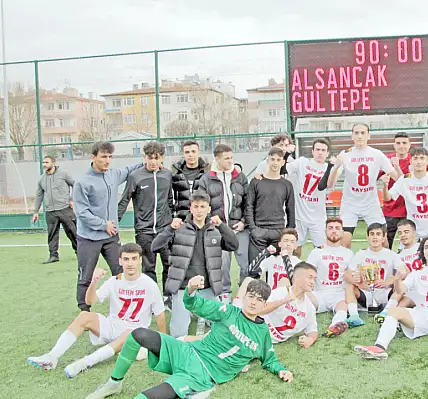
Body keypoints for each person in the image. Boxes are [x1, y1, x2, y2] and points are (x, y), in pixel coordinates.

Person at [84, 278, 293, 399]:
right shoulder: (228, 311)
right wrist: (191, 289)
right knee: (138, 334)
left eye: (259, 300)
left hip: (203, 374)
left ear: (265, 304)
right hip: (188, 351)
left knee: (149, 396)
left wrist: (281, 369)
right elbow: (195, 305)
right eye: (251, 296)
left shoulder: (263, 332)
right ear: (244, 296)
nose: (254, 302)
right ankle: (114, 383)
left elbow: (269, 359)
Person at [27, 243, 165, 378]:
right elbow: (89, 301)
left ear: (140, 260)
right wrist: (93, 282)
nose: (130, 263)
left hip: (134, 332)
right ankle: (52, 357)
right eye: (126, 259)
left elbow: (160, 314)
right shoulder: (114, 281)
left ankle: (83, 363)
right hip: (112, 326)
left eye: (134, 259)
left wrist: (163, 344)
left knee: (131, 333)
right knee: (84, 315)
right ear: (120, 261)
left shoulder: (149, 284)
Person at [354, 235, 428, 360]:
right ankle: (380, 347)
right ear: (422, 252)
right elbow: (401, 290)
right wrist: (397, 279)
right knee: (394, 311)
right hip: (422, 317)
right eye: (426, 247)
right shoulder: (416, 273)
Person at [151, 191, 239, 338]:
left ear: (209, 209)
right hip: (183, 288)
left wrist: (222, 226)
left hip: (208, 288)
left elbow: (234, 245)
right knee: (178, 335)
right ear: (190, 208)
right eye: (196, 206)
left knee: (226, 327)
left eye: (202, 206)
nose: (199, 210)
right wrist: (169, 229)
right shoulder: (178, 228)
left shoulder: (216, 230)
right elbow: (155, 247)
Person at [73, 141, 144, 312]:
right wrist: (103, 224)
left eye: (110, 157)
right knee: (86, 275)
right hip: (89, 238)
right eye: (103, 156)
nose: (107, 160)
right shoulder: (82, 182)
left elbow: (128, 170)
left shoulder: (113, 174)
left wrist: (146, 161)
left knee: (120, 272)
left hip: (111, 237)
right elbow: (82, 212)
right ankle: (84, 311)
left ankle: (124, 306)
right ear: (93, 157)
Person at [327, 123, 399, 248]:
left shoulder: (377, 154)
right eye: (356, 133)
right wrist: (337, 165)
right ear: (352, 136)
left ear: (368, 135)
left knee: (383, 242)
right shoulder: (345, 154)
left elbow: (397, 177)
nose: (359, 136)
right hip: (350, 204)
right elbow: (330, 184)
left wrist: (393, 177)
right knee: (344, 243)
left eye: (363, 133)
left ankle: (385, 267)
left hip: (371, 204)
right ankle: (348, 267)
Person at [195, 143, 248, 303]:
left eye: (231, 158)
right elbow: (202, 203)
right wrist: (215, 223)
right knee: (222, 266)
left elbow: (248, 202)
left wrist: (244, 222)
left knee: (246, 265)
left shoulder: (240, 176)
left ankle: (242, 295)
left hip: (240, 228)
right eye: (226, 158)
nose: (230, 161)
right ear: (217, 159)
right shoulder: (206, 179)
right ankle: (225, 294)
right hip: (218, 230)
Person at [118, 141, 174, 288]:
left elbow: (169, 199)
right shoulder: (135, 176)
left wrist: (172, 221)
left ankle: (168, 297)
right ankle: (153, 297)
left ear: (162, 157)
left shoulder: (167, 174)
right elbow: (125, 200)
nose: (153, 162)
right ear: (145, 157)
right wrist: (115, 221)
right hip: (144, 231)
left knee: (170, 264)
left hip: (165, 230)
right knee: (148, 267)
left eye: (157, 158)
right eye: (150, 158)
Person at [380, 132, 428, 248]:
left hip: (409, 211)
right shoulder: (387, 160)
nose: (401, 146)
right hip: (390, 208)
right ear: (394, 145)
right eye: (398, 143)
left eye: (404, 143)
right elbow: (373, 175)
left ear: (409, 145)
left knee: (410, 244)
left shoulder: (416, 159)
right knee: (385, 241)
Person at [237, 261, 319, 348]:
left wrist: (310, 340)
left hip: (266, 339)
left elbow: (312, 329)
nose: (312, 282)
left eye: (314, 279)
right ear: (296, 277)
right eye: (309, 277)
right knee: (248, 282)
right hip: (251, 327)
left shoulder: (309, 307)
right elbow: (259, 310)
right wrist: (283, 301)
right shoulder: (281, 292)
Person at [344, 223, 405, 327]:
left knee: (400, 286)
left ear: (384, 237)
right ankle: (354, 316)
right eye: (372, 234)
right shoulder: (361, 254)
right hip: (367, 292)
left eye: (378, 234)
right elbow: (347, 274)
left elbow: (404, 271)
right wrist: (359, 284)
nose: (375, 237)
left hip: (385, 292)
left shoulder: (391, 254)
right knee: (349, 286)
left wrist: (391, 281)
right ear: (367, 237)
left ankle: (385, 313)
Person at [285, 138, 337, 256]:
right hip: (299, 215)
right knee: (295, 248)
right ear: (312, 151)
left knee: (321, 251)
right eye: (317, 149)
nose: (320, 152)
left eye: (323, 150)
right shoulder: (302, 162)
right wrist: (287, 153)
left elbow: (325, 186)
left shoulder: (331, 169)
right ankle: (295, 272)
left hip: (317, 217)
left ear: (327, 153)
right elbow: (283, 169)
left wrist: (335, 166)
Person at [305, 217, 354, 338]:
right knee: (304, 300)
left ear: (342, 232)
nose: (334, 231)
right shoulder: (317, 252)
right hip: (319, 292)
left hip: (339, 293)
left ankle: (335, 326)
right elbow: (308, 273)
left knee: (343, 306)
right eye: (330, 228)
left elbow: (351, 276)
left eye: (337, 228)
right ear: (325, 231)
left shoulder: (348, 253)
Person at [245, 148, 296, 263]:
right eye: (272, 159)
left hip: (278, 231)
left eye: (278, 160)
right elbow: (249, 206)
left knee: (275, 270)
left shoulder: (287, 185)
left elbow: (290, 209)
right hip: (259, 231)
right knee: (254, 270)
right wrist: (253, 229)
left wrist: (288, 232)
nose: (275, 162)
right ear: (267, 161)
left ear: (283, 162)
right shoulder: (256, 182)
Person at [32, 155, 78, 264]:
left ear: (53, 163)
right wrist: (36, 212)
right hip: (50, 211)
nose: (44, 165)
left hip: (65, 209)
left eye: (47, 162)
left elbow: (75, 185)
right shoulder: (41, 179)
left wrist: (72, 199)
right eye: (43, 162)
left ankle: (80, 252)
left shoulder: (63, 174)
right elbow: (39, 195)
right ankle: (53, 255)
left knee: (73, 232)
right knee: (52, 234)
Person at [172, 140, 210, 221]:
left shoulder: (207, 174)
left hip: (202, 221)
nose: (190, 155)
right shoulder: (175, 174)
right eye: (187, 152)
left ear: (198, 152)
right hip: (181, 220)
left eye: (193, 151)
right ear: (183, 154)